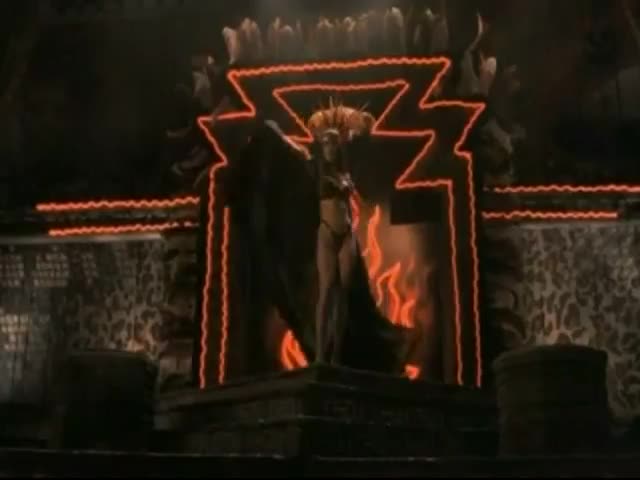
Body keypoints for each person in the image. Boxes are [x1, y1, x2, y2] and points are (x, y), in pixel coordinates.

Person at [306, 101, 374, 365]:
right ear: (322, 146)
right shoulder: (316, 168)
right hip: (326, 231)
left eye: (334, 143)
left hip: (346, 231)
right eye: (327, 143)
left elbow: (362, 133)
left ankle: (335, 355)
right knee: (326, 291)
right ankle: (320, 355)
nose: (330, 147)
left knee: (343, 294)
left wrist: (355, 128)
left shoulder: (345, 171)